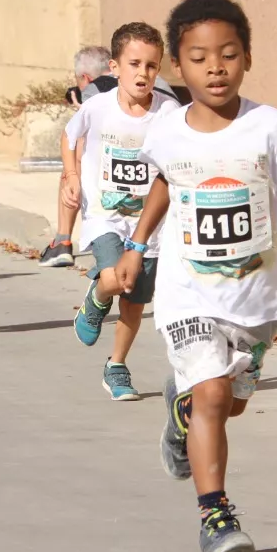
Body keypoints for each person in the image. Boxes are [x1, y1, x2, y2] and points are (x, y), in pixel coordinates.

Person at [115, 0, 277, 552]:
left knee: (227, 405)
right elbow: (166, 182)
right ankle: (216, 517)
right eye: (199, 57)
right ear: (177, 67)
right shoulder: (166, 131)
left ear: (247, 58)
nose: (215, 67)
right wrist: (138, 245)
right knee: (212, 392)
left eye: (229, 54)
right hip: (187, 291)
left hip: (256, 298)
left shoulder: (272, 127)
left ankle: (179, 410)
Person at [64, 22, 180, 401]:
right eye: (134, 64)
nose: (143, 74)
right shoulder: (97, 106)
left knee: (133, 299)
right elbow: (69, 137)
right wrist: (71, 176)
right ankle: (96, 300)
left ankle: (116, 366)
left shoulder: (168, 112)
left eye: (151, 65)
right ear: (114, 67)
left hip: (149, 226)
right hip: (104, 214)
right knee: (115, 278)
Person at [38, 46, 112, 268]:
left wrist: (72, 174)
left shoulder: (94, 89)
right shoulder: (151, 82)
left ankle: (62, 242)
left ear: (85, 77)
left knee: (74, 159)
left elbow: (78, 145)